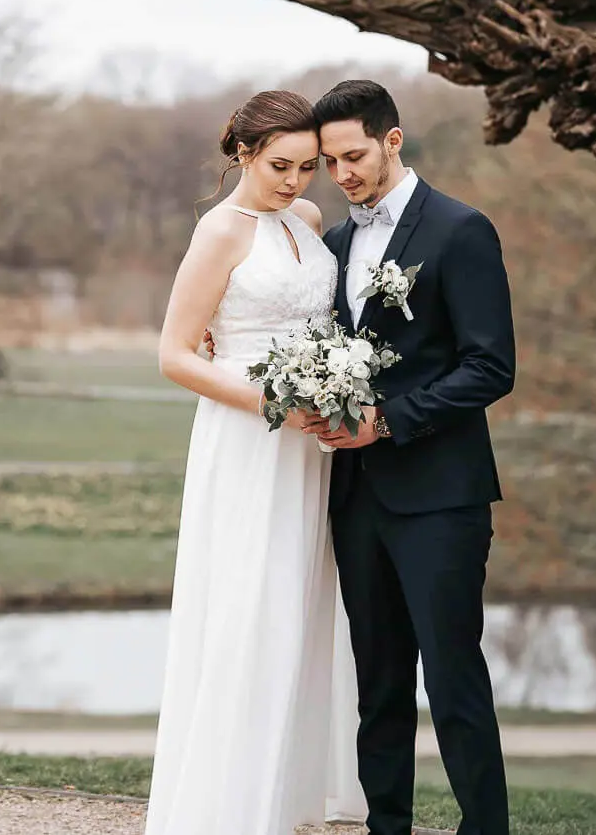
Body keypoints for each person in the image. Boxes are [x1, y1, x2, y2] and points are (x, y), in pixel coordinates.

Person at [147, 90, 366, 834]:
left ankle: (289, 795)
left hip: (313, 445)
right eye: (281, 165)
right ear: (242, 152)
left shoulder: (305, 221)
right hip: (250, 439)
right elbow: (174, 354)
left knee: (304, 603)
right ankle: (228, 804)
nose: (296, 182)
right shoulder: (220, 231)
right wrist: (270, 398)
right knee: (251, 602)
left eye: (309, 167)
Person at [306, 79, 515, 835]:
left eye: (354, 155)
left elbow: (492, 366)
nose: (342, 173)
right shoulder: (333, 243)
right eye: (330, 161)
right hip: (357, 497)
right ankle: (384, 825)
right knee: (379, 683)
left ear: (393, 140)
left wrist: (388, 422)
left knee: (454, 680)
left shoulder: (461, 230)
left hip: (441, 497)